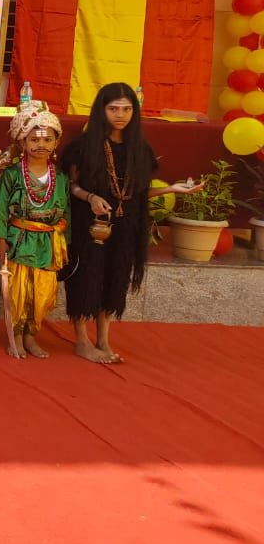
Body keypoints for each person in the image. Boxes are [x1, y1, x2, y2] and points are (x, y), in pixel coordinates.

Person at [60, 82, 199, 364]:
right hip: (90, 224)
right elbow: (70, 186)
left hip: (125, 226)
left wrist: (172, 189)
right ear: (101, 110)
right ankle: (82, 340)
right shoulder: (83, 147)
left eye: (126, 109)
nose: (120, 115)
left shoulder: (140, 149)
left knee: (116, 276)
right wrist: (90, 197)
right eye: (113, 109)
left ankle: (103, 339)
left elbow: (139, 192)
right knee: (86, 277)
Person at [0, 100, 69, 359]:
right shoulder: (12, 175)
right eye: (34, 140)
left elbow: (66, 212)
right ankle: (15, 337)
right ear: (22, 143)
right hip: (19, 240)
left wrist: (65, 241)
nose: (41, 145)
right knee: (18, 291)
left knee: (42, 294)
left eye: (47, 139)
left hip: (48, 243)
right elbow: (0, 208)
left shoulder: (60, 177)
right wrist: (0, 239)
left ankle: (31, 336)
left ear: (56, 143)